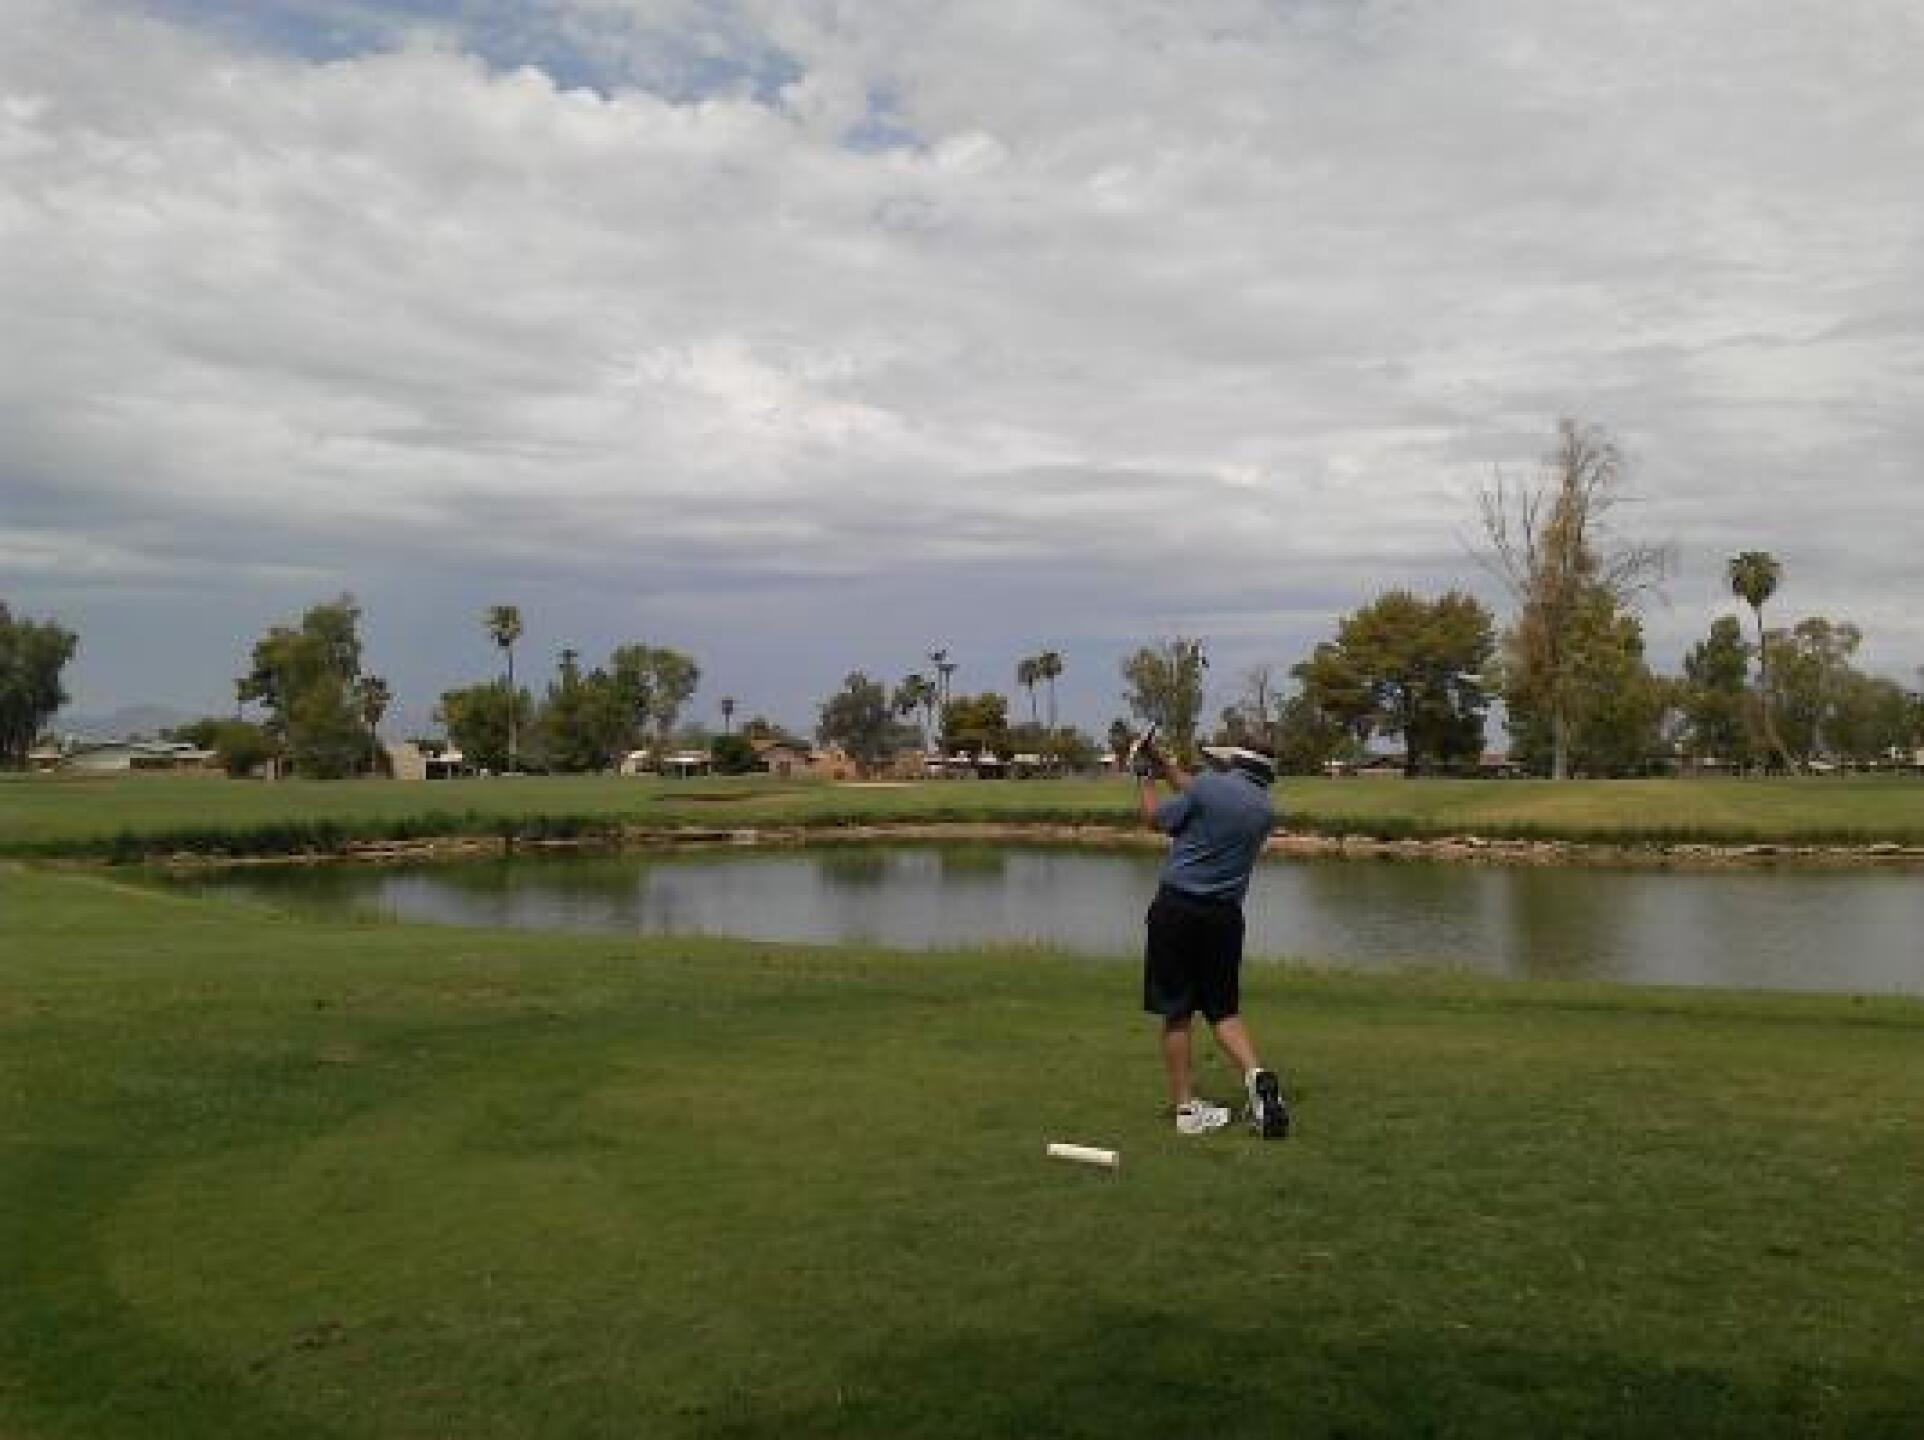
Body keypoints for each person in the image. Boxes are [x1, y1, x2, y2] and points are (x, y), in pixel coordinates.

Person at [1134, 735, 1289, 1138]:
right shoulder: (1264, 810)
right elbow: (1197, 791)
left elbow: (1153, 817)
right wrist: (1163, 762)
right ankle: (1257, 1076)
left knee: (1177, 1012)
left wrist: (1144, 777)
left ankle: (1186, 1108)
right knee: (1223, 1011)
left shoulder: (1209, 787)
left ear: (1236, 763)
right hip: (1224, 918)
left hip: (1177, 910)